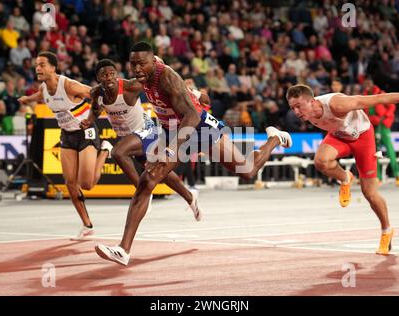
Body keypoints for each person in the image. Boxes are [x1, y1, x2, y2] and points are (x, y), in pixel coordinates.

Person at [95, 41, 292, 266]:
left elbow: (192, 117)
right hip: (172, 129)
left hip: (199, 128)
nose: (137, 69)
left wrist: (170, 148)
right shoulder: (144, 76)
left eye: (142, 64)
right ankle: (123, 250)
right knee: (146, 181)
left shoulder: (166, 77)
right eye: (133, 64)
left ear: (153, 61)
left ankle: (275, 138)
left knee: (247, 170)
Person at [286, 84, 399, 255]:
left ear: (312, 101)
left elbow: (376, 99)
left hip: (363, 139)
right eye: (292, 108)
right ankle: (345, 177)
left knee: (370, 194)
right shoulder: (308, 114)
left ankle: (387, 230)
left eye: (298, 106)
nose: (296, 112)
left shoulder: (338, 104)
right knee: (321, 161)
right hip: (339, 136)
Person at [81, 59, 202, 219]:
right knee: (161, 172)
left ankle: (142, 192)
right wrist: (89, 120)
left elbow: (157, 82)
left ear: (116, 74)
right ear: (98, 78)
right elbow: (96, 109)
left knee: (118, 152)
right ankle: (190, 197)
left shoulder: (130, 86)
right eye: (105, 75)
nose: (109, 78)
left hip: (145, 130)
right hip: (129, 136)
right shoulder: (97, 93)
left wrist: (192, 92)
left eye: (112, 74)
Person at [18, 51, 112, 240]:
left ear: (53, 68)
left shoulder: (69, 85)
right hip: (67, 135)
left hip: (86, 132)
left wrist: (97, 112)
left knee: (87, 184)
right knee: (70, 183)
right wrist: (27, 99)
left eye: (42, 64)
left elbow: (95, 93)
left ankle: (105, 151)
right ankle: (87, 225)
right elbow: (40, 95)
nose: (38, 68)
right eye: (37, 64)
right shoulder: (44, 88)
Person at [363, 78, 399, 186]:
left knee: (390, 151)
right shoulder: (363, 97)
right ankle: (378, 178)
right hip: (372, 128)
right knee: (376, 153)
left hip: (383, 127)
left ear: (372, 84)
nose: (366, 85)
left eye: (368, 83)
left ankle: (397, 175)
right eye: (365, 84)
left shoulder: (380, 94)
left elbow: (392, 107)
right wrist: (371, 120)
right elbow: (364, 113)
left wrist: (384, 118)